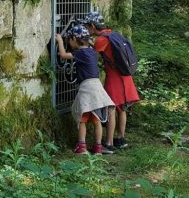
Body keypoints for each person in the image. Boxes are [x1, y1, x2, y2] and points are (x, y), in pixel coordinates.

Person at [55, 24, 114, 155]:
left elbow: (63, 55)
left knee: (82, 118)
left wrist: (59, 40)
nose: (69, 42)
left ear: (74, 40)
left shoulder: (81, 52)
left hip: (88, 89)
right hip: (97, 88)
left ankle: (82, 146)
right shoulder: (92, 52)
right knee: (97, 120)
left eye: (69, 39)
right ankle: (98, 147)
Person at [83, 11, 140, 149]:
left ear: (92, 26)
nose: (86, 29)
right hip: (125, 75)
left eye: (87, 26)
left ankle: (108, 143)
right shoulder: (113, 34)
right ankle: (121, 138)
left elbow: (92, 53)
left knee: (110, 108)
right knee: (122, 108)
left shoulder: (101, 40)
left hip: (114, 78)